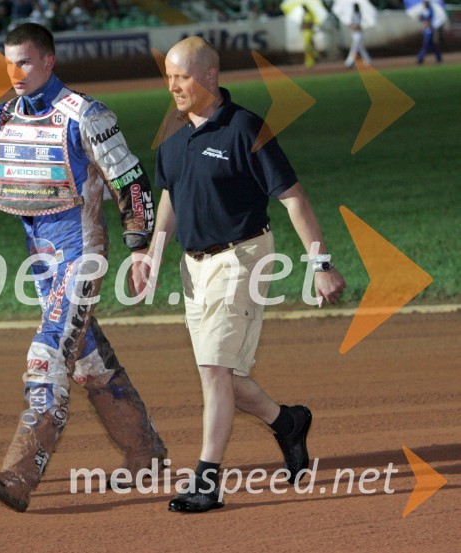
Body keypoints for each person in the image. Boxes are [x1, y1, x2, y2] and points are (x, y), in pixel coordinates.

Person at [0, 23, 166, 512]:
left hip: (82, 256)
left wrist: (140, 246)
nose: (15, 73)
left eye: (25, 62)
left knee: (47, 356)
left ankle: (20, 475)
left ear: (49, 62)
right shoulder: (1, 121)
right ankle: (147, 454)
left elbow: (131, 179)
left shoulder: (87, 116)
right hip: (42, 265)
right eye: (9, 63)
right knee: (89, 362)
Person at [136, 37, 346, 513]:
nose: (173, 86)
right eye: (168, 77)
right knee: (224, 374)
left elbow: (293, 197)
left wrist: (320, 265)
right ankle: (286, 422)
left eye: (182, 77)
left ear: (209, 76)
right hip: (194, 267)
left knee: (213, 369)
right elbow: (170, 197)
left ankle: (207, 481)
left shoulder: (246, 128)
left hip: (243, 258)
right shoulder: (172, 134)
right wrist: (153, 254)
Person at [344, 3, 371, 68]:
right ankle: (368, 60)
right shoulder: (354, 14)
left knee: (354, 48)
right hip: (355, 34)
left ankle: (349, 62)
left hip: (358, 34)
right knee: (361, 49)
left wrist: (353, 25)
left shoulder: (358, 14)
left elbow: (358, 25)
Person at [417, 0, 443, 64]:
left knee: (426, 45)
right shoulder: (425, 11)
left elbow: (428, 21)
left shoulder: (430, 10)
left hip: (429, 30)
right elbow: (421, 19)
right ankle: (439, 58)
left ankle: (420, 57)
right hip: (427, 30)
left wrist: (426, 23)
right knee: (432, 45)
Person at [301, 4, 318, 70]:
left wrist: (305, 25)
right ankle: (312, 59)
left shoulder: (309, 15)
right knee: (308, 47)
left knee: (307, 47)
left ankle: (310, 62)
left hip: (308, 32)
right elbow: (303, 24)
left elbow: (310, 24)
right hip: (305, 32)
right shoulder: (304, 15)